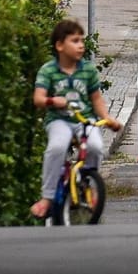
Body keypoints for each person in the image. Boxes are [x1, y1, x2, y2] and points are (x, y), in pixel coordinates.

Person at [31, 18, 122, 220]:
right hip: (59, 120)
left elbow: (96, 99)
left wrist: (107, 118)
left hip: (84, 119)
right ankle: (46, 197)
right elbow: (38, 98)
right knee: (56, 147)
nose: (81, 45)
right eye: (75, 40)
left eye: (82, 40)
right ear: (60, 45)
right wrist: (53, 101)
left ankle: (89, 185)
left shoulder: (88, 70)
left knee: (96, 147)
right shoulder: (49, 70)